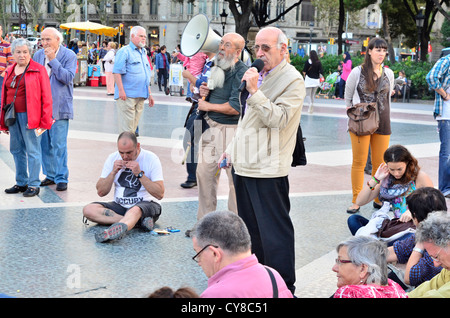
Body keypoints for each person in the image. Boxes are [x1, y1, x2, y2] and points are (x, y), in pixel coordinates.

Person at [221, 27, 304, 294]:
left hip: (268, 170)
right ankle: (260, 283)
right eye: (257, 48)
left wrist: (255, 92)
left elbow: (279, 120)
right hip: (244, 165)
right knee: (251, 234)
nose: (259, 54)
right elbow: (247, 119)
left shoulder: (293, 80)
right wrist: (231, 149)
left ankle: (284, 287)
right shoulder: (261, 75)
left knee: (275, 235)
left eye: (265, 48)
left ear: (283, 48)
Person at [194, 32, 248, 222]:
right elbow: (214, 94)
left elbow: (236, 107)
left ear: (238, 51)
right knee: (204, 175)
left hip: (231, 131)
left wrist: (207, 106)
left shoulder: (241, 71)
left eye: (227, 45)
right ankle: (205, 225)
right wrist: (204, 93)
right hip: (212, 126)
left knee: (234, 182)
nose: (221, 48)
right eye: (221, 43)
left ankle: (235, 228)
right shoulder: (218, 66)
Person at [82, 132, 164, 243]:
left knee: (135, 210)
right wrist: (113, 172)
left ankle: (113, 231)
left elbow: (160, 194)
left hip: (146, 204)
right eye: (121, 152)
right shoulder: (112, 158)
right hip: (120, 205)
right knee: (88, 209)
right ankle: (137, 223)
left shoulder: (151, 158)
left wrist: (139, 174)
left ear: (138, 146)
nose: (125, 156)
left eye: (129, 152)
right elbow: (101, 192)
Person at [191, 210, 293, 298]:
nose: (199, 263)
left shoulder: (214, 294)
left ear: (215, 254)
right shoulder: (273, 275)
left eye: (198, 255)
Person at [345, 38, 395, 214]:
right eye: (377, 50)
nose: (381, 54)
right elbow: (348, 97)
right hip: (362, 122)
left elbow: (388, 98)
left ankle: (378, 198)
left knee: (380, 164)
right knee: (358, 163)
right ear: (369, 51)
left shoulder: (389, 73)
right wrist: (356, 115)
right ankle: (356, 200)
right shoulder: (357, 72)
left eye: (383, 50)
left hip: (383, 121)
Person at [0, 38, 53, 197]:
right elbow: (5, 95)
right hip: (13, 116)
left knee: (33, 150)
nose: (22, 55)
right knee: (16, 150)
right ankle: (21, 182)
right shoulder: (9, 70)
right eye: (18, 52)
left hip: (32, 117)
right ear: (13, 54)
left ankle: (34, 184)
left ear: (30, 53)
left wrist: (45, 121)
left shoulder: (38, 70)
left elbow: (47, 97)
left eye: (25, 52)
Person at [348, 144, 434, 233]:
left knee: (408, 237)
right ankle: (385, 242)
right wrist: (375, 179)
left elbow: (435, 204)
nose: (396, 173)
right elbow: (360, 202)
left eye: (399, 169)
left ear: (407, 163)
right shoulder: (386, 180)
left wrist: (413, 212)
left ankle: (385, 243)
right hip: (396, 225)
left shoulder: (419, 177)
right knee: (353, 220)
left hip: (414, 229)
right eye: (392, 169)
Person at [33, 27, 77, 192]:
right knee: (44, 144)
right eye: (42, 39)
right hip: (40, 108)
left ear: (58, 40)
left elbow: (67, 78)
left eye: (48, 39)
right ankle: (50, 175)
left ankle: (61, 177)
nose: (44, 43)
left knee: (59, 144)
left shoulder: (69, 56)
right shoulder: (37, 55)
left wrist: (53, 59)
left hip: (59, 107)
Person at [387, 187, 447, 288]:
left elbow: (408, 278)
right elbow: (397, 250)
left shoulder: (434, 246)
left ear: (416, 217)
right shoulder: (437, 231)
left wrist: (419, 245)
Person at [179, 51, 215, 189]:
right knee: (193, 141)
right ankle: (196, 175)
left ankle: (194, 177)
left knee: (190, 141)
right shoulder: (207, 62)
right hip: (199, 105)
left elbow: (206, 85)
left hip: (204, 108)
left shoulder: (214, 64)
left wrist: (189, 76)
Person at [333, 236, 408, 298]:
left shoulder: (349, 293)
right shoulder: (395, 287)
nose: (334, 268)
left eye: (341, 261)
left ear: (363, 269)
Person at [113, 26, 154, 134]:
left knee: (132, 130)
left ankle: (130, 149)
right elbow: (117, 72)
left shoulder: (143, 52)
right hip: (127, 96)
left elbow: (146, 75)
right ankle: (125, 150)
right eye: (141, 36)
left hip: (140, 95)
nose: (144, 39)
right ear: (132, 36)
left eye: (145, 36)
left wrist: (149, 94)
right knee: (127, 131)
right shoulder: (124, 51)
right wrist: (121, 91)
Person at [408, 211, 450, 298]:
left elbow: (439, 295)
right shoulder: (447, 270)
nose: (435, 264)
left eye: (436, 257)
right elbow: (431, 285)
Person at [426, 55, 450, 199]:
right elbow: (431, 77)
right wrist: (444, 94)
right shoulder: (447, 60)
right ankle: (445, 188)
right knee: (447, 153)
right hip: (446, 115)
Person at [0, 25, 14, 101]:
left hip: (1, 76)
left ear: (1, 32)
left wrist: (3, 74)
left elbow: (12, 62)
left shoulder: (7, 45)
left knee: (0, 100)